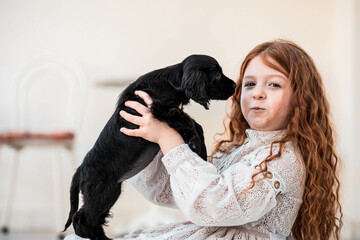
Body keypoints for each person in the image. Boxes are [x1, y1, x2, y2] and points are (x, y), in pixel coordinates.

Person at [66, 39, 343, 240]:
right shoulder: (239, 151)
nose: (257, 93)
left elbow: (212, 206)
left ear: (301, 100)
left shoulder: (281, 159)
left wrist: (168, 137)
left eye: (274, 84)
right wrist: (152, 138)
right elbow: (177, 193)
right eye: (249, 84)